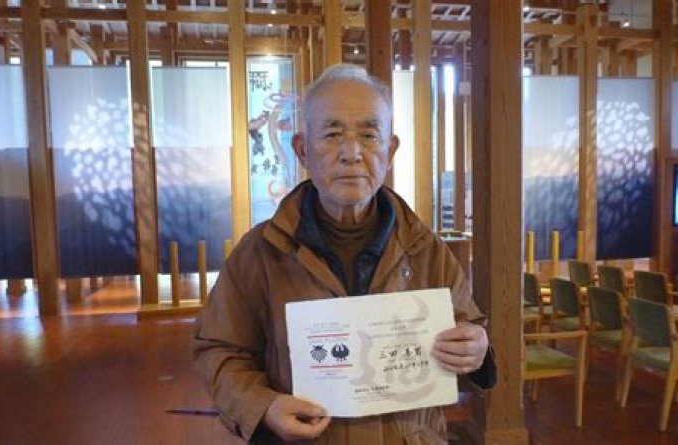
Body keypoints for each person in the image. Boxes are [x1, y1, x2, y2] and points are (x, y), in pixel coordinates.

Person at [192, 63, 496, 444]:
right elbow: (218, 350)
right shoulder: (261, 252)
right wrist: (264, 406)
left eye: (369, 135)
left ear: (390, 150)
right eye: (333, 134)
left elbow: (467, 333)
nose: (352, 153)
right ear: (303, 150)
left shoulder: (426, 249)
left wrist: (476, 349)